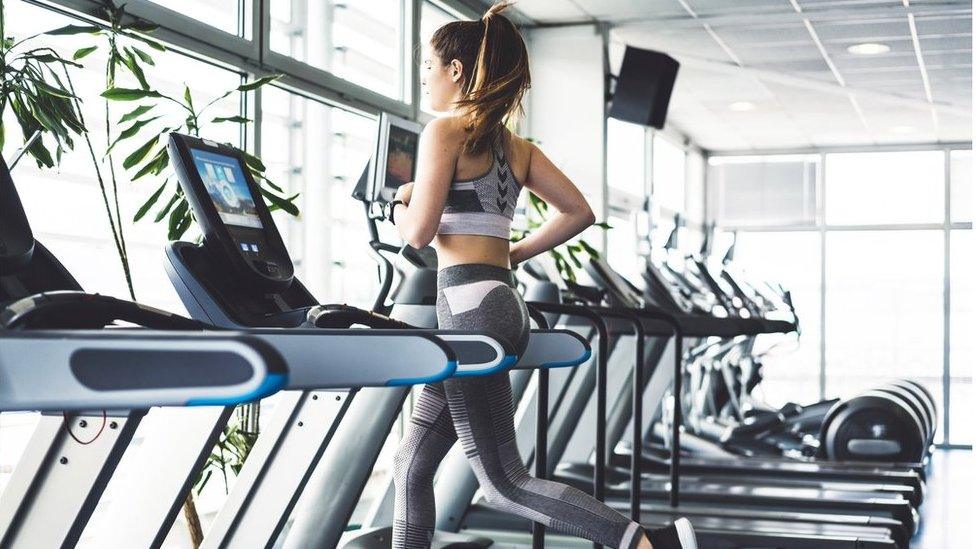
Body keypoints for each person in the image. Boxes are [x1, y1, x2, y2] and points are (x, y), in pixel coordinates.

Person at [387, 3, 698, 548]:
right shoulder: (518, 147)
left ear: (456, 71)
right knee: (412, 465)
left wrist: (401, 201)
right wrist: (515, 254)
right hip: (501, 301)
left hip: (466, 311)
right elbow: (579, 212)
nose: (426, 80)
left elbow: (418, 234)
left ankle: (650, 542)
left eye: (429, 69)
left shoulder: (445, 132)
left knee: (504, 482)